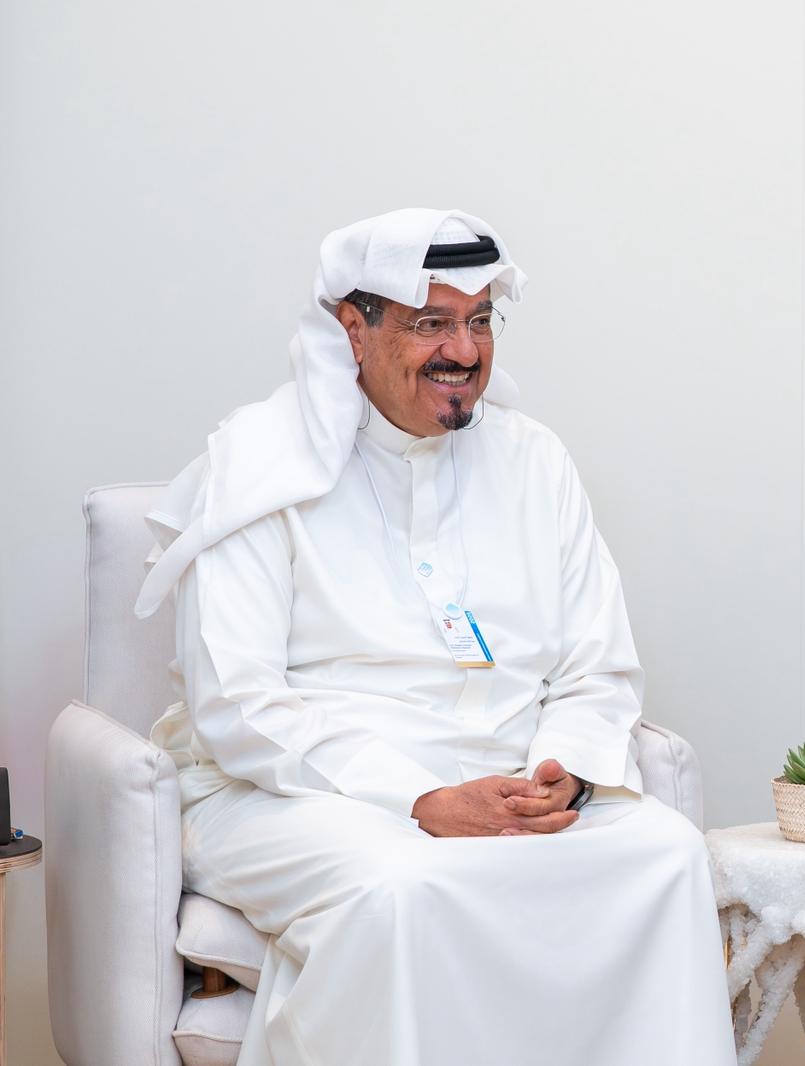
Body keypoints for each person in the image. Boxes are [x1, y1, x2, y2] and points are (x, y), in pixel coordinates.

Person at [138, 209, 737, 1066]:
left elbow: (596, 666)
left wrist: (560, 774)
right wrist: (419, 799)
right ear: (354, 330)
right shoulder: (260, 463)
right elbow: (238, 704)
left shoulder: (535, 462)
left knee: (666, 853)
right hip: (294, 795)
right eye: (431, 323)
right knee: (407, 884)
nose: (464, 349)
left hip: (508, 784)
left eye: (481, 319)